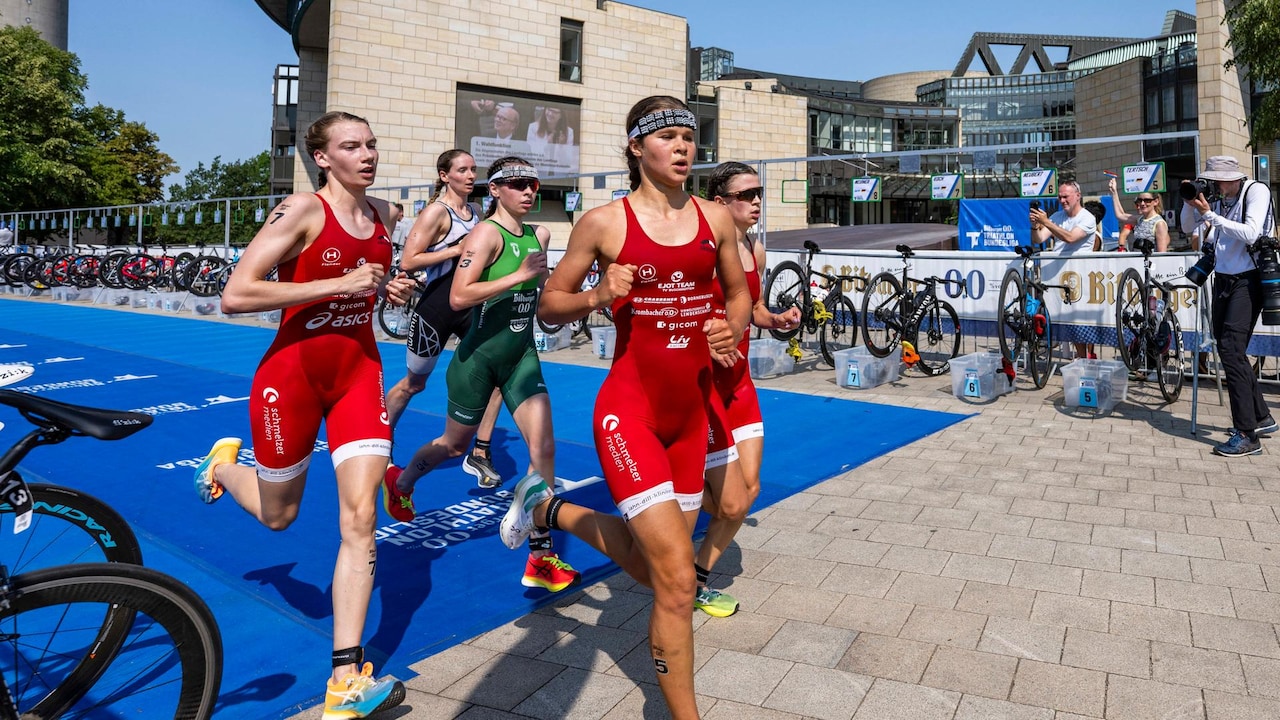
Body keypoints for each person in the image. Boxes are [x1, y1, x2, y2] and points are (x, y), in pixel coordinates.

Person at [521, 95, 751, 720]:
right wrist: (598, 293)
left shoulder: (715, 218)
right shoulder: (605, 223)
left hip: (690, 417)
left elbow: (736, 294)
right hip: (632, 413)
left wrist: (730, 331)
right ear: (637, 147)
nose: (683, 147)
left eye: (690, 136)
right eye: (669, 136)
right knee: (677, 582)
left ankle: (551, 507)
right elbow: (548, 305)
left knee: (661, 577)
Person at [191, 110, 413, 719]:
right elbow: (236, 294)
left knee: (361, 518)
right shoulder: (301, 211)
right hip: (290, 378)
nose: (367, 154)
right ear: (323, 157)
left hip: (357, 375)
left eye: (371, 143)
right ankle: (224, 465)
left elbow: (368, 276)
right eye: (351, 146)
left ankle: (344, 681)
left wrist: (384, 286)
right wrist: (336, 285)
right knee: (277, 516)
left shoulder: (385, 216)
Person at [383, 156, 580, 593]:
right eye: (518, 184)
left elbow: (540, 300)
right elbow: (458, 296)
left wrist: (574, 303)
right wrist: (518, 278)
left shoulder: (539, 234)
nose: (530, 191)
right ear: (496, 190)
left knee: (543, 447)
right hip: (477, 360)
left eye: (534, 184)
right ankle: (403, 479)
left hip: (521, 357)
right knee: (453, 447)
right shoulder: (485, 234)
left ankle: (541, 556)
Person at [694, 162, 800, 618]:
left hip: (739, 384)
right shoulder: (700, 250)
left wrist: (774, 319)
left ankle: (696, 576)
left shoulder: (754, 248)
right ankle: (666, 497)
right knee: (726, 500)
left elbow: (751, 306)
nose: (756, 201)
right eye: (746, 194)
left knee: (748, 491)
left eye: (759, 192)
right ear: (721, 203)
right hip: (702, 384)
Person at [384, 150, 506, 492]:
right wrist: (457, 249)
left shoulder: (478, 212)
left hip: (469, 305)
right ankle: (381, 438)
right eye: (462, 170)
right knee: (414, 384)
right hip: (436, 308)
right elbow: (409, 260)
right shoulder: (438, 213)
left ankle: (480, 451)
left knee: (497, 375)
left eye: (473, 170)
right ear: (444, 175)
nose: (470, 175)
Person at [1180, 155, 1277, 457]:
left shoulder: (1255, 191)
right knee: (1228, 350)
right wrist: (1190, 199)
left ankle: (1247, 434)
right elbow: (1185, 227)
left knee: (1232, 350)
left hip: (1249, 280)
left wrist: (1211, 215)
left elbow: (1251, 232)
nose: (1216, 187)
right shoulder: (1218, 200)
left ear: (1234, 177)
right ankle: (1261, 416)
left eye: (1219, 181)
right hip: (1223, 280)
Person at [1031, 180, 1097, 358]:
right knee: (1067, 320)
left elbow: (1070, 238)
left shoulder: (1087, 218)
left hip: (1080, 275)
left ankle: (1086, 358)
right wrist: (1036, 225)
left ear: (1078, 196)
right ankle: (1081, 358)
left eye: (1065, 196)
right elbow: (1038, 239)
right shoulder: (1057, 217)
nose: (1062, 200)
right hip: (1059, 276)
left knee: (1081, 321)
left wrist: (1047, 222)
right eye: (1059, 197)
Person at [1109, 178, 1170, 253]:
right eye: (1140, 200)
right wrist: (1114, 192)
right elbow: (1120, 215)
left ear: (1155, 202)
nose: (1142, 203)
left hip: (1150, 263)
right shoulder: (1139, 219)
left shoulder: (1159, 223)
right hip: (1137, 262)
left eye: (1147, 200)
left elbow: (1162, 254)